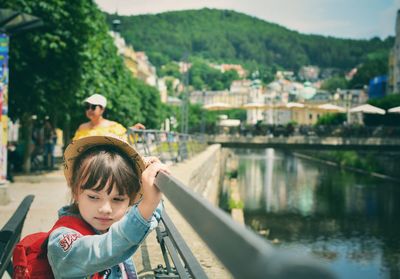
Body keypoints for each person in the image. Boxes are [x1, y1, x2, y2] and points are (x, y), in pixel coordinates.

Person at [47, 135, 168, 278]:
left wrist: (151, 179)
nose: (105, 209)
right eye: (93, 197)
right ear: (76, 192)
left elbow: (149, 213)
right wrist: (147, 204)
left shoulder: (109, 225)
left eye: (117, 199)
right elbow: (100, 250)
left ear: (130, 199)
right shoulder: (62, 239)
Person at [73, 93, 145, 141]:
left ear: (102, 109)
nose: (89, 110)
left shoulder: (113, 126)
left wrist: (133, 130)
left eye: (93, 107)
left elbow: (125, 140)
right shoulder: (82, 127)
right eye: (87, 107)